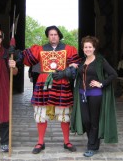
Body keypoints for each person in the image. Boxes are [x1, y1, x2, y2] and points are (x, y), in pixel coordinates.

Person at [19, 25, 81, 154]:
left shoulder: (69, 49)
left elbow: (76, 66)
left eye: (55, 34)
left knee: (64, 114)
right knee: (41, 113)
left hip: (61, 84)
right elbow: (27, 59)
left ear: (59, 36)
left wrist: (65, 73)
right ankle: (40, 142)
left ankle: (66, 141)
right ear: (48, 36)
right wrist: (16, 54)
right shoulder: (40, 49)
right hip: (43, 85)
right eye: (51, 34)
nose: (53, 36)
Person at [71, 36, 118, 157]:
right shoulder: (82, 62)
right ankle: (92, 141)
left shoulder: (100, 61)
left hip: (95, 95)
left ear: (94, 48)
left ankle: (92, 146)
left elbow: (113, 74)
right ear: (83, 49)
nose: (87, 49)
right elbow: (79, 75)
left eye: (90, 47)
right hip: (83, 94)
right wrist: (73, 67)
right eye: (85, 47)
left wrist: (101, 83)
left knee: (94, 121)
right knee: (86, 120)